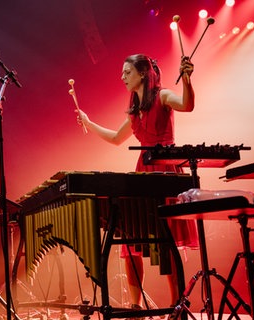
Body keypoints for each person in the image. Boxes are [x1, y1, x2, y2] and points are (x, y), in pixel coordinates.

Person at [75, 54, 199, 308]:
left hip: (165, 172)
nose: (122, 77)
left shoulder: (163, 96)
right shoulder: (135, 110)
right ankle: (135, 305)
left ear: (142, 73)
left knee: (167, 242)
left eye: (126, 72)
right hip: (142, 172)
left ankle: (178, 304)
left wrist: (186, 78)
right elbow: (115, 138)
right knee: (131, 240)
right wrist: (89, 123)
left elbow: (187, 105)